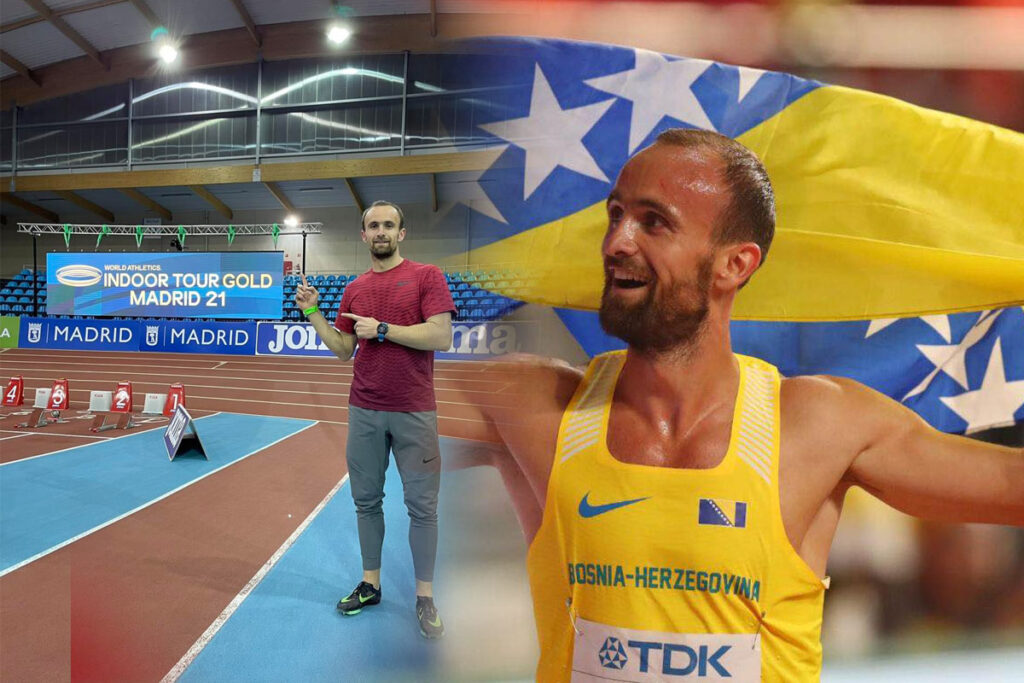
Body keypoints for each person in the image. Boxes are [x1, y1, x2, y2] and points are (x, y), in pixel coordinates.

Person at [455, 129, 1024, 681]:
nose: (616, 243)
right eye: (615, 214)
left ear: (735, 265)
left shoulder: (818, 426)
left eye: (653, 222)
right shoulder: (535, 406)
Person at [295, 200, 456, 639]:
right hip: (364, 409)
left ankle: (424, 597)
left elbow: (441, 335)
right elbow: (344, 349)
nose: (381, 231)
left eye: (388, 224)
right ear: (363, 235)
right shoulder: (354, 288)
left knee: (423, 508)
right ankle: (371, 585)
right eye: (373, 226)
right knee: (366, 501)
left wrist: (382, 329)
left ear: (401, 233)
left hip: (414, 410)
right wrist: (312, 312)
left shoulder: (426, 276)